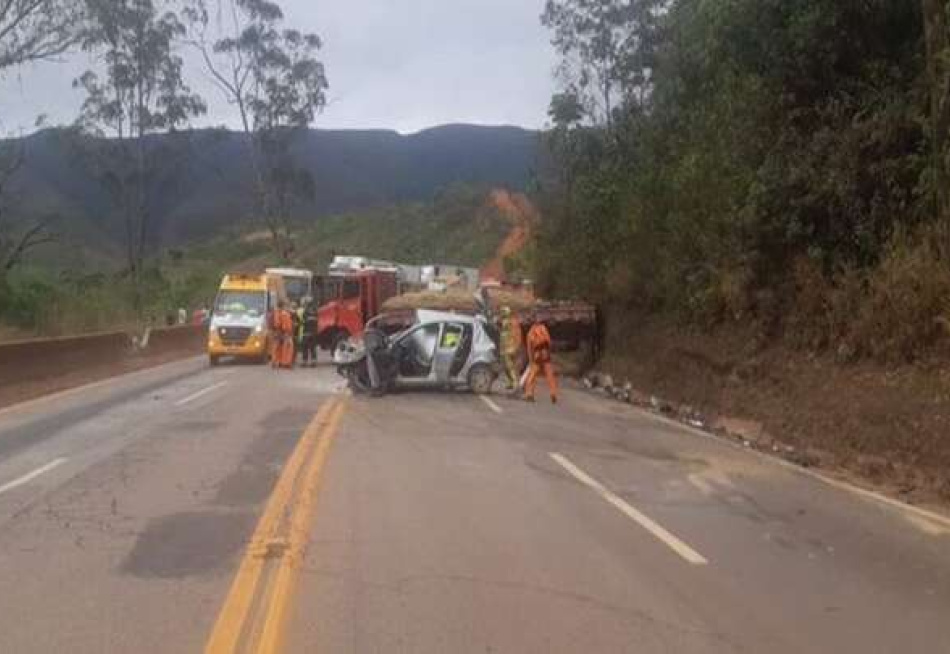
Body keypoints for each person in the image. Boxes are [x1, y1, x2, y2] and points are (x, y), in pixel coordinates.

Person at [524, 312, 558, 404]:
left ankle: (529, 393)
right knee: (550, 375)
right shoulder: (543, 328)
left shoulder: (530, 333)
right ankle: (553, 393)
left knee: (532, 375)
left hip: (536, 355)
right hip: (545, 354)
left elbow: (529, 348)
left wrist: (531, 360)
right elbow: (548, 341)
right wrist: (548, 352)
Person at [499, 306, 524, 393]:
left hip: (510, 348)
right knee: (506, 367)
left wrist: (516, 346)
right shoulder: (505, 322)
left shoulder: (510, 322)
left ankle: (515, 384)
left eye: (503, 312)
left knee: (510, 367)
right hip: (505, 348)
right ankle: (511, 382)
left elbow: (517, 335)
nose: (501, 313)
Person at [272, 300, 295, 369]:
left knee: (277, 347)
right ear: (283, 305)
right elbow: (285, 324)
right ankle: (286, 362)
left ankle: (277, 361)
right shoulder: (284, 313)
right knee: (288, 347)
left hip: (278, 331)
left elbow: (276, 323)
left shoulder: (276, 312)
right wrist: (287, 332)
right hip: (285, 332)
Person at [300, 298, 319, 367]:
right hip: (314, 333)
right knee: (312, 348)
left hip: (306, 332)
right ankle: (313, 362)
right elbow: (316, 322)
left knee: (305, 347)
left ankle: (304, 362)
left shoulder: (306, 311)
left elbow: (303, 321)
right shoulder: (315, 311)